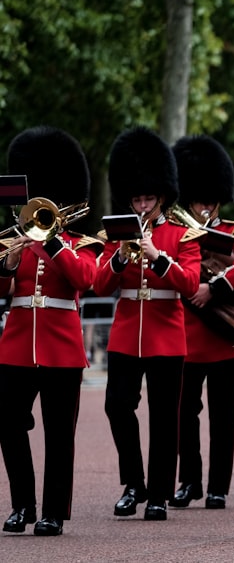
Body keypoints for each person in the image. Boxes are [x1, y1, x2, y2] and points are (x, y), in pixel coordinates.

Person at [94, 126, 202, 521]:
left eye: (148, 198)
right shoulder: (116, 234)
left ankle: (158, 493)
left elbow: (190, 283)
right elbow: (99, 283)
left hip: (166, 334)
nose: (141, 205)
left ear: (162, 197)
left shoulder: (181, 234)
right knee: (116, 407)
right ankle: (133, 483)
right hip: (126, 332)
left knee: (164, 417)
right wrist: (120, 258)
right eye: (136, 198)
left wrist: (157, 256)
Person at [0, 127, 103, 536]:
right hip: (17, 345)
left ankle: (53, 512)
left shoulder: (81, 243)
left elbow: (85, 279)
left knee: (60, 434)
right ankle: (22, 505)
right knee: (7, 421)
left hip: (61, 347)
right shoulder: (13, 240)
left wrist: (53, 242)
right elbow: (4, 291)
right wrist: (7, 262)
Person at [168, 135, 234, 511]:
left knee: (223, 419)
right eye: (198, 200)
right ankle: (189, 480)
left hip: (224, 336)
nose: (205, 206)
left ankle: (217, 486)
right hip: (186, 340)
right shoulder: (179, 235)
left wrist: (215, 287)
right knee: (183, 417)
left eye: (210, 200)